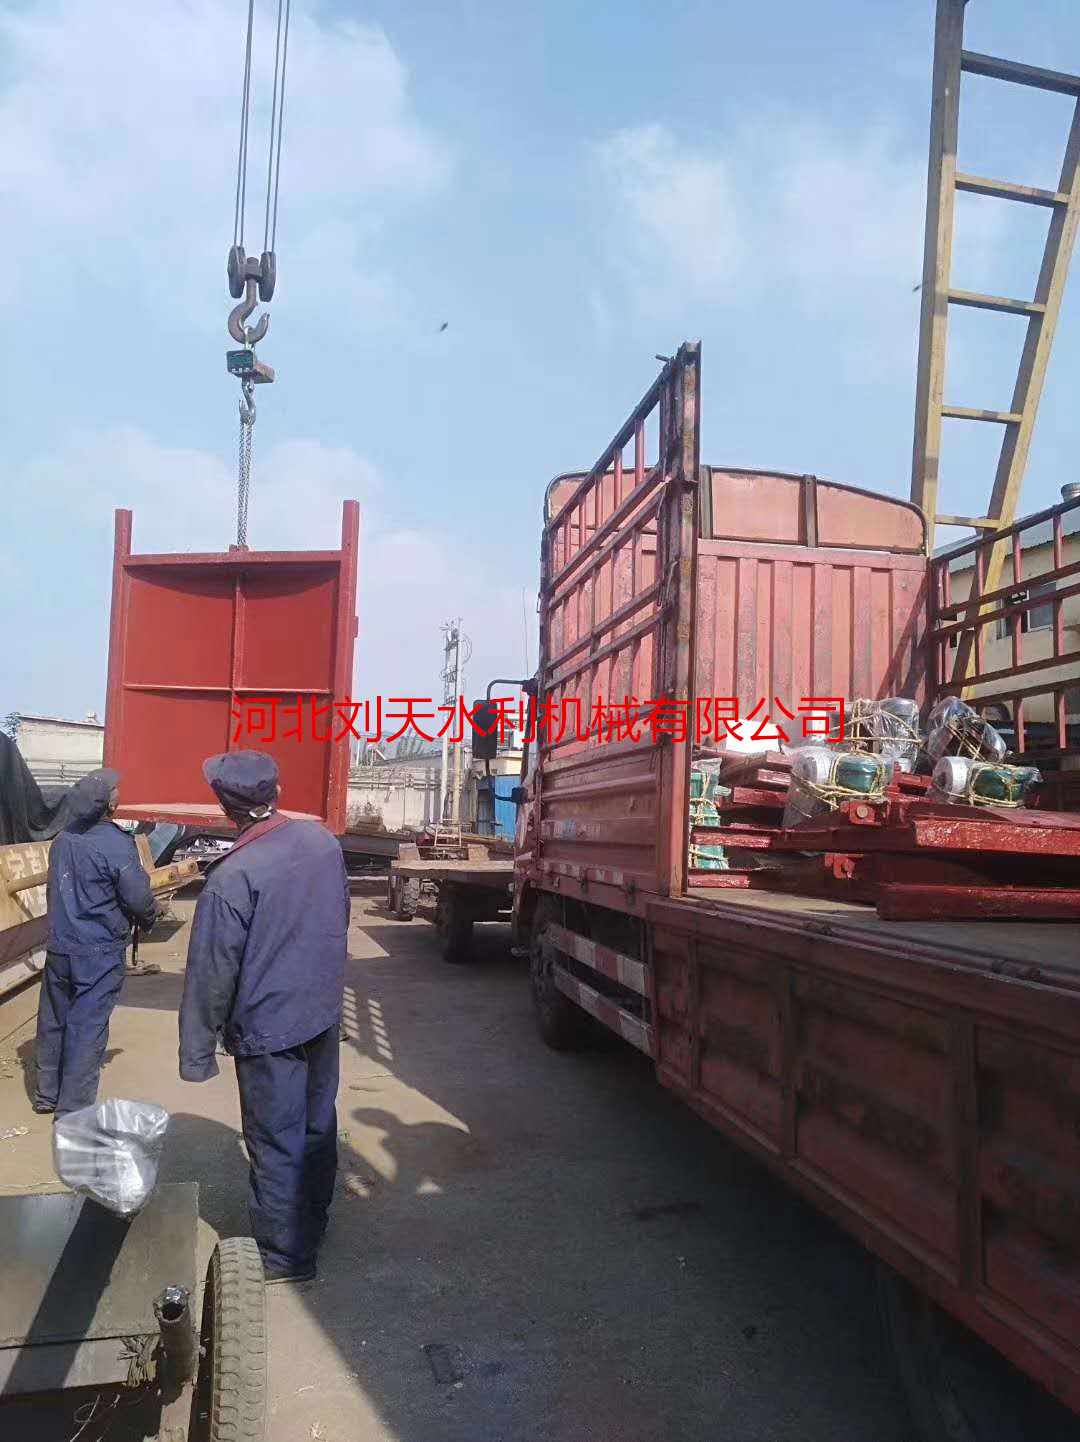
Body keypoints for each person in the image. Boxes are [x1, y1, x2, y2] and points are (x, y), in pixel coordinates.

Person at [178, 751, 350, 1284]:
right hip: (320, 1012)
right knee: (317, 1124)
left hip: (267, 1027)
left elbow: (211, 971)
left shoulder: (233, 876)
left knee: (276, 1140)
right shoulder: (322, 843)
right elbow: (340, 916)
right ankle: (313, 1222)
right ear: (276, 792)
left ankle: (285, 1256)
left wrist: (196, 1051)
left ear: (223, 806)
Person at [33, 768, 158, 1117]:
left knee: (54, 1020)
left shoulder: (64, 839)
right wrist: (151, 916)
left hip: (60, 946)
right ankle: (72, 1110)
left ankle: (47, 1094)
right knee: (87, 1026)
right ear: (110, 806)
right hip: (98, 950)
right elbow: (138, 898)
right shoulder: (116, 844)